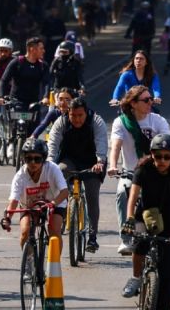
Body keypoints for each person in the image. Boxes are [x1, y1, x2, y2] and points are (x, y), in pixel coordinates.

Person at [121, 133, 170, 304]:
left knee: (167, 271)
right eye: (158, 156)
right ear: (151, 154)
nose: (162, 160)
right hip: (144, 216)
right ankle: (136, 278)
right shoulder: (143, 169)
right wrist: (129, 218)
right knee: (140, 245)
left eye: (167, 157)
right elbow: (133, 197)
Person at [108, 84, 170, 255]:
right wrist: (113, 165)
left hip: (155, 171)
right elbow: (116, 146)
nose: (150, 102)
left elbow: (168, 144)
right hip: (130, 172)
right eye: (146, 100)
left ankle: (165, 235)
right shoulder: (121, 122)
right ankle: (126, 239)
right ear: (133, 103)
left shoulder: (158, 120)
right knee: (122, 193)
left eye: (151, 99)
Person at [47, 96, 108, 252]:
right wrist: (50, 163)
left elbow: (101, 142)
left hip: (92, 162)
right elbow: (53, 144)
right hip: (69, 160)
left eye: (80, 115)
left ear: (86, 112)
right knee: (59, 172)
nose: (76, 119)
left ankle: (92, 236)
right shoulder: (61, 122)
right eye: (73, 115)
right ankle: (62, 212)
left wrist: (100, 161)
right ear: (68, 112)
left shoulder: (96, 121)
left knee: (92, 194)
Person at [1, 137, 69, 246]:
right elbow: (14, 200)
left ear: (43, 159)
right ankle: (29, 256)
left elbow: (65, 192)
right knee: (25, 232)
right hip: (29, 205)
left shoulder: (53, 169)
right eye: (29, 159)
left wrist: (53, 204)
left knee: (54, 230)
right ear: (24, 159)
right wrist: (8, 218)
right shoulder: (20, 176)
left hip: (55, 202)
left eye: (37, 159)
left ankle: (55, 257)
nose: (33, 163)